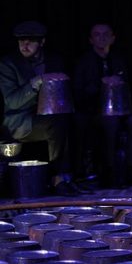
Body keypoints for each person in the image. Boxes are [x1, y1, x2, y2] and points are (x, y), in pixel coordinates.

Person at [0, 20, 91, 196]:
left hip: (48, 114)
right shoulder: (7, 64)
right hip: (21, 120)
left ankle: (75, 176)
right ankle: (57, 178)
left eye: (31, 41)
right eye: (21, 41)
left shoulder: (53, 60)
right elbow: (12, 102)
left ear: (42, 42)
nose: (25, 45)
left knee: (76, 121)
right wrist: (36, 82)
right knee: (56, 123)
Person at [73, 22, 132, 187]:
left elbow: (130, 88)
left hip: (120, 109)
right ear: (91, 39)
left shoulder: (119, 60)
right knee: (110, 122)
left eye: (105, 34)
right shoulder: (84, 62)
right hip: (94, 111)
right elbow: (78, 93)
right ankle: (109, 171)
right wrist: (101, 84)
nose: (101, 38)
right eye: (97, 34)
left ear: (112, 38)